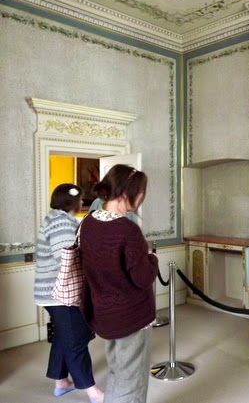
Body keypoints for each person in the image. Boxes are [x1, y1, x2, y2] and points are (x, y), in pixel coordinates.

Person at [79, 164, 158, 403]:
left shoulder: (88, 223)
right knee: (132, 379)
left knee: (117, 369)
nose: (142, 197)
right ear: (127, 193)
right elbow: (142, 278)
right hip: (130, 315)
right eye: (141, 192)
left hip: (103, 312)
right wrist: (152, 260)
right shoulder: (128, 230)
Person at [33, 184, 104, 403]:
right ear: (71, 201)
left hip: (52, 292)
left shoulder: (57, 219)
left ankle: (61, 382)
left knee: (64, 336)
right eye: (80, 198)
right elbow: (67, 256)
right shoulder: (61, 222)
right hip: (60, 295)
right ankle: (93, 392)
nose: (82, 202)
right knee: (76, 340)